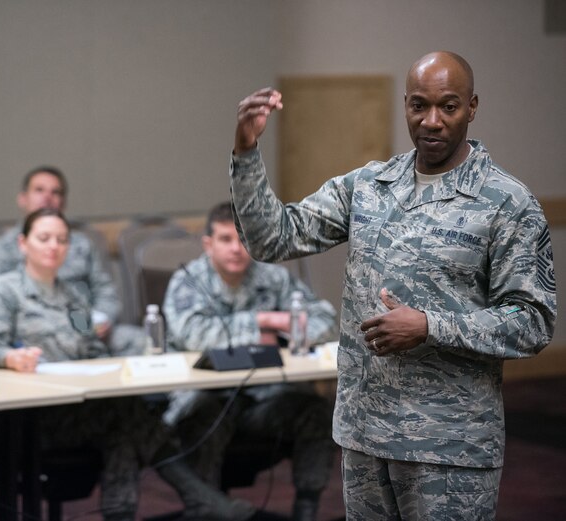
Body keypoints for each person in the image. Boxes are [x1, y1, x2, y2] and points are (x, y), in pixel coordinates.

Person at [229, 51, 557, 520]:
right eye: (419, 105)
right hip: (365, 435)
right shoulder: (369, 186)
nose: (432, 121)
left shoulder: (506, 203)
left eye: (449, 106)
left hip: (448, 446)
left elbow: (532, 321)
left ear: (473, 106)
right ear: (405, 104)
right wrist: (245, 154)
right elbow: (273, 237)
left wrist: (429, 326)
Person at [0, 207, 256, 521]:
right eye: (44, 238)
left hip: (78, 407)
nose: (54, 246)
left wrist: (116, 371)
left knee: (125, 427)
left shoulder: (74, 299)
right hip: (31, 417)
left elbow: (91, 348)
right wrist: (9, 357)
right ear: (24, 244)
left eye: (62, 240)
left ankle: (125, 514)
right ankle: (199, 498)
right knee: (129, 417)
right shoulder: (5, 292)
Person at [162, 201, 338, 521]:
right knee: (205, 412)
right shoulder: (188, 280)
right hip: (206, 399)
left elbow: (324, 321)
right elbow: (195, 336)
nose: (236, 249)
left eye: (243, 239)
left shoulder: (273, 277)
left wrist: (283, 332)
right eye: (226, 239)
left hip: (262, 401)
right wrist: (264, 322)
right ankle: (210, 508)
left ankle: (307, 508)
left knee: (315, 410)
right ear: (208, 244)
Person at [0, 165, 120, 339]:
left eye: (56, 192)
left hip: (84, 326)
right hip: (30, 332)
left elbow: (104, 291)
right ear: (23, 198)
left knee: (136, 341)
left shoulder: (82, 247)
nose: (47, 197)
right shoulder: (0, 252)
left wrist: (100, 320)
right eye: (39, 190)